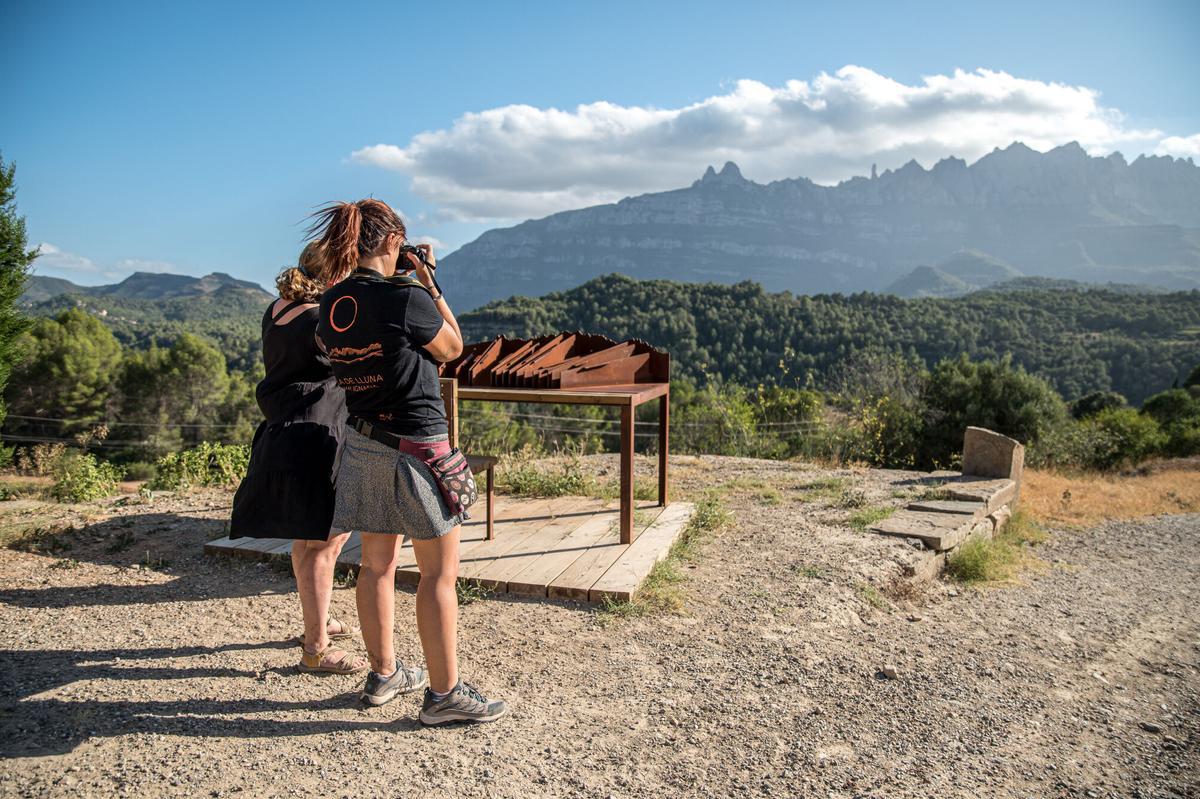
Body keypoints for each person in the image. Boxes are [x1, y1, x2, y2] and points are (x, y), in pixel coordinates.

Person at [310, 198, 506, 725]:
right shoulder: (406, 297)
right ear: (394, 242)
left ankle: (384, 674)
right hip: (419, 446)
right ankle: (444, 696)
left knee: (376, 566)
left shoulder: (330, 302)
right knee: (438, 576)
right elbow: (452, 348)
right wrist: (428, 282)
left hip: (365, 442)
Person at [230, 243, 366, 676]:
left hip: (284, 431)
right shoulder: (323, 317)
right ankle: (316, 649)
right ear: (337, 275)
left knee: (305, 541)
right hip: (320, 435)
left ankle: (318, 622)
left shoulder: (277, 308)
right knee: (328, 542)